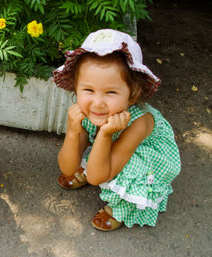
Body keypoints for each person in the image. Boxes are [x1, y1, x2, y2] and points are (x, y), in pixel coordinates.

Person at [53, 29, 181, 231]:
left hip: (143, 157)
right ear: (76, 87)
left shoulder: (140, 123)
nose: (97, 103)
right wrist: (72, 132)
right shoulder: (87, 113)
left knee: (117, 169)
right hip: (111, 148)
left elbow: (97, 177)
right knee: (95, 155)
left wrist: (105, 134)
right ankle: (95, 159)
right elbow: (67, 168)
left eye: (111, 92)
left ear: (133, 94)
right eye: (88, 90)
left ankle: (123, 208)